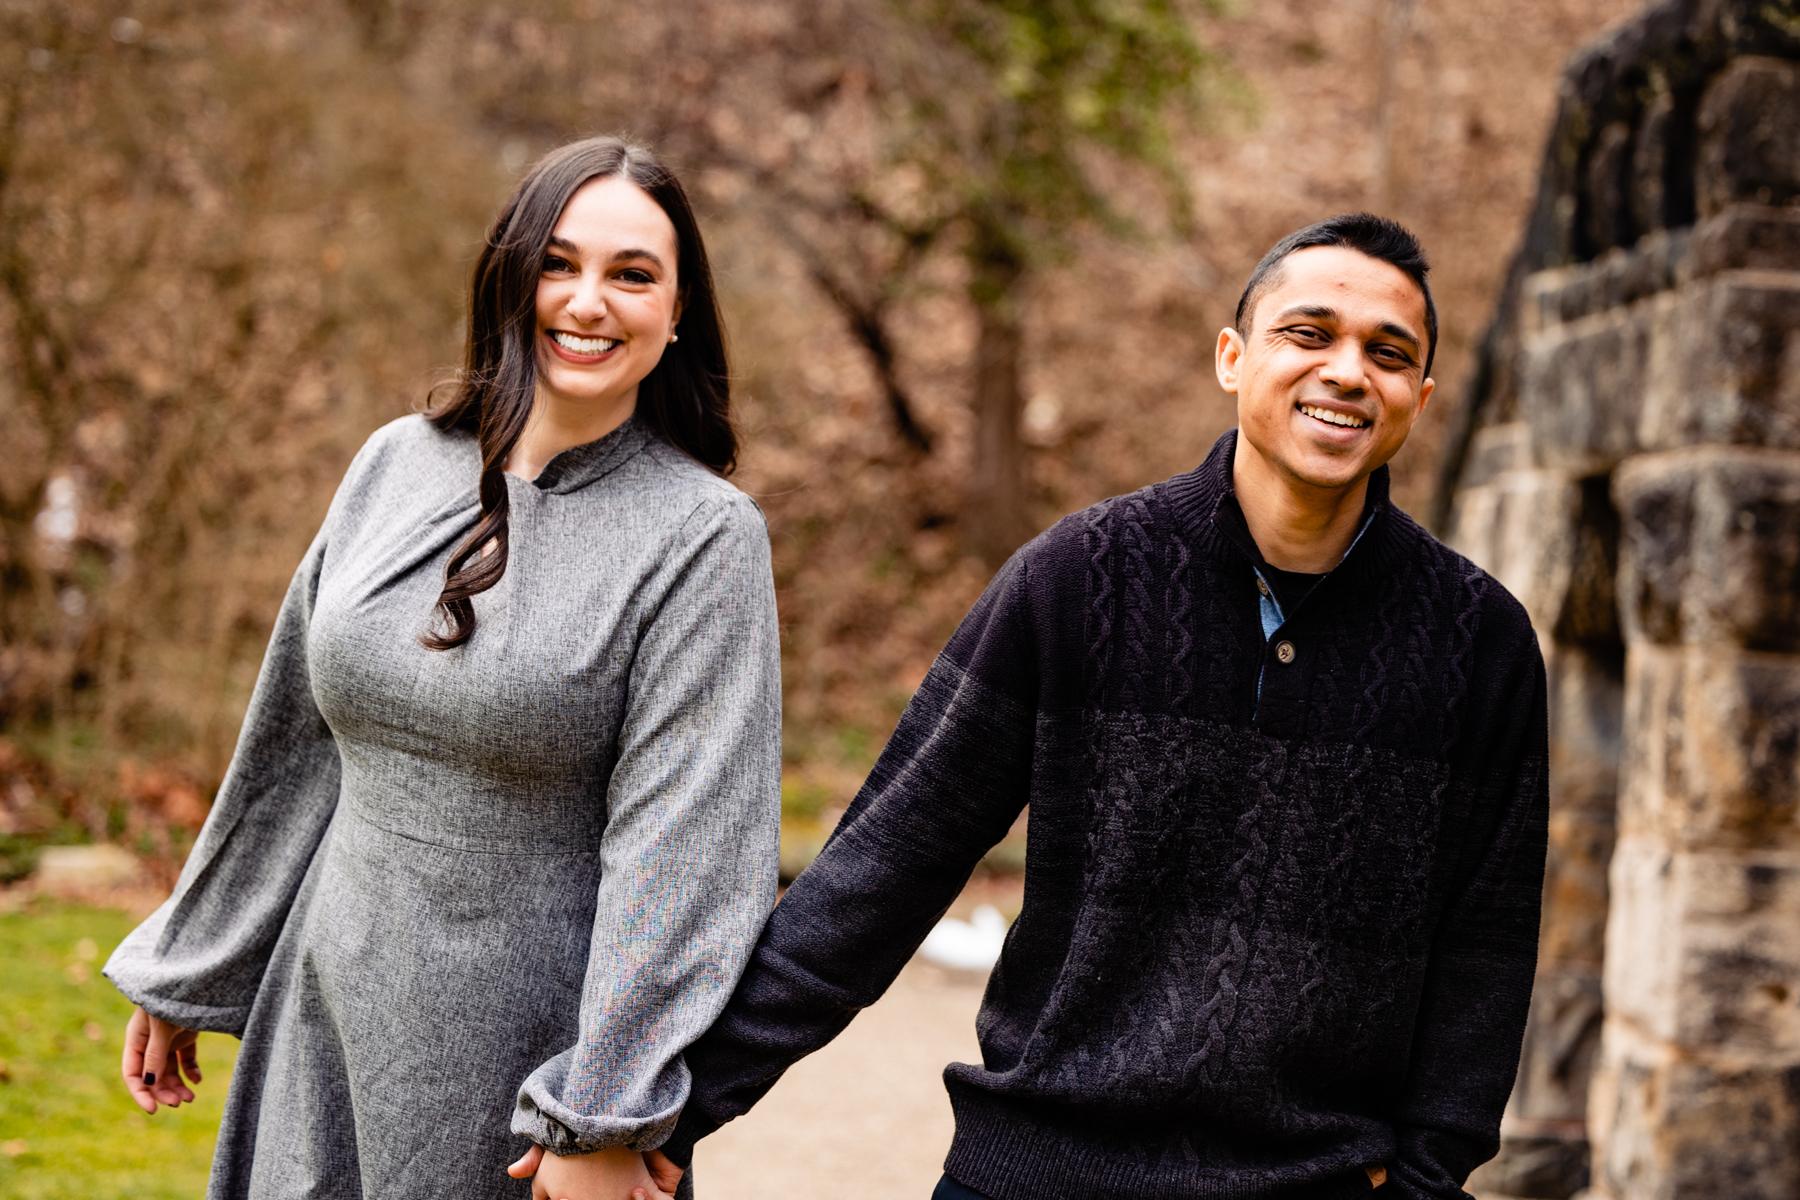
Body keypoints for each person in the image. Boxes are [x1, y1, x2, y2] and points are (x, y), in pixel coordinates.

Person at [651, 214, 1549, 1199]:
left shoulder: (1482, 644)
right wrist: (664, 1116)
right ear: (1232, 356)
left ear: (1420, 396)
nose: (1346, 372)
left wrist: (1423, 1182)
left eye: (1388, 353)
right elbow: (885, 870)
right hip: (1037, 1174)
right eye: (1309, 333)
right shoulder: (1079, 578)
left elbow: (1486, 954)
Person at [103, 136, 777, 1200]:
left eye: (632, 274)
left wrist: (600, 1112)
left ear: (679, 308)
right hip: (324, 1006)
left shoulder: (702, 536)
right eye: (558, 263)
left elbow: (685, 849)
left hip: (518, 1057)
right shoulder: (393, 463)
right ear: (510, 275)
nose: (588, 302)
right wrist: (194, 957)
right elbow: (293, 739)